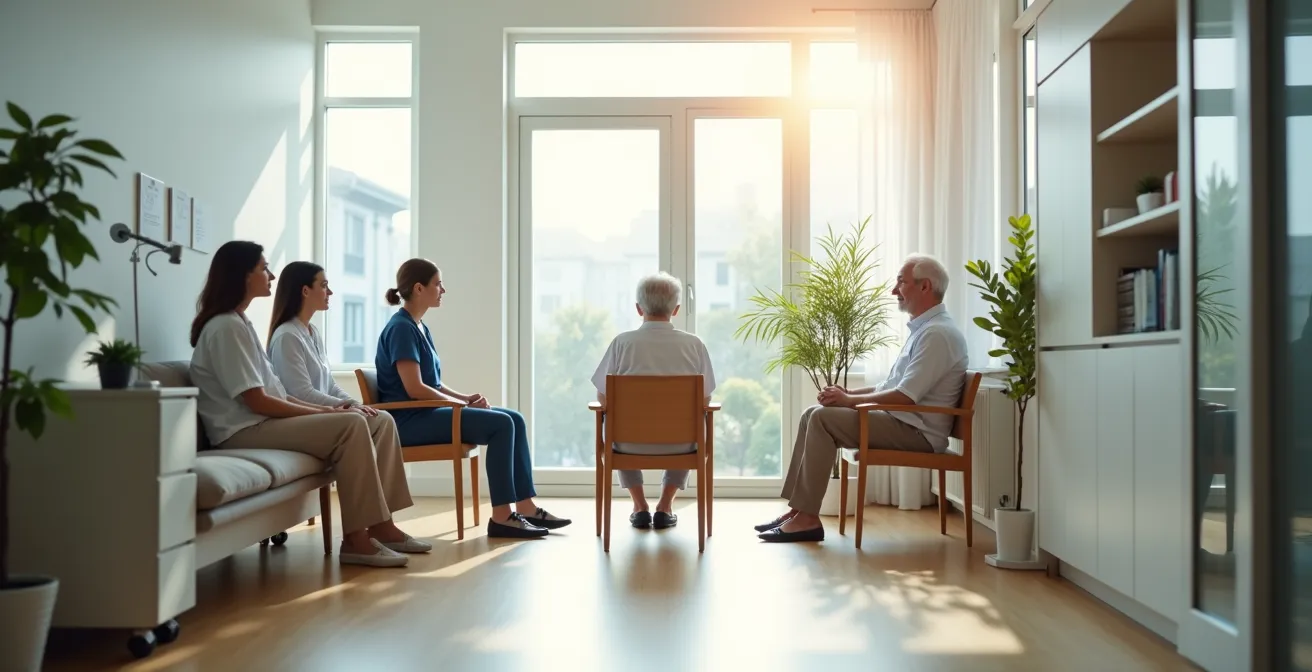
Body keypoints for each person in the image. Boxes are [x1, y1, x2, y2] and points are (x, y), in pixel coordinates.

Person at [189, 242, 425, 568]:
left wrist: (343, 407)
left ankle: (382, 526)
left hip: (260, 423)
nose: (270, 275)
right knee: (351, 425)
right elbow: (257, 400)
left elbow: (281, 394)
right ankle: (356, 540)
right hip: (243, 430)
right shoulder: (227, 326)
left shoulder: (240, 323)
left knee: (377, 419)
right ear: (242, 275)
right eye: (263, 268)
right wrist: (329, 412)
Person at [757, 254, 969, 543]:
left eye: (901, 282)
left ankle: (807, 519)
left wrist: (847, 402)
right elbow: (891, 384)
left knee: (821, 418)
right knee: (812, 413)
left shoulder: (937, 335)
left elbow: (905, 396)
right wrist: (847, 394)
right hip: (903, 422)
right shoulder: (926, 331)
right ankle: (798, 510)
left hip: (917, 432)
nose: (894, 291)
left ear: (925, 287)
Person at [374, 258, 571, 539]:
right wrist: (459, 405)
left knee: (513, 418)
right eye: (438, 284)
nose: (443, 289)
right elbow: (415, 388)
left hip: (425, 413)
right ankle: (502, 517)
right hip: (408, 421)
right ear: (419, 288)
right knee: (501, 425)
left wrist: (465, 398)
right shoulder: (401, 329)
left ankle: (525, 506)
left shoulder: (418, 326)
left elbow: (434, 383)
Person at [590, 272, 716, 530]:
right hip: (683, 444)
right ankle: (665, 506)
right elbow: (706, 398)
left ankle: (640, 506)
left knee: (612, 422)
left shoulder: (621, 343)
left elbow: (602, 396)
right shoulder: (694, 345)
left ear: (638, 308)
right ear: (676, 309)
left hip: (627, 443)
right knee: (695, 421)